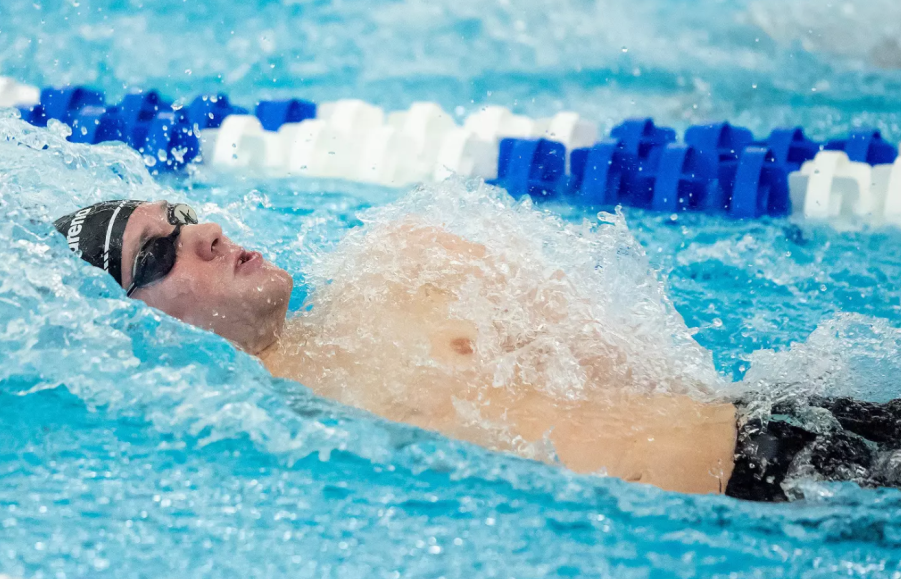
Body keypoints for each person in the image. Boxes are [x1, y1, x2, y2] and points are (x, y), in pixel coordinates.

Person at [54, 199, 901, 502]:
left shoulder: (405, 260)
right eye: (157, 257)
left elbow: (660, 366)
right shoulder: (269, 443)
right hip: (758, 516)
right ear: (136, 323)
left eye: (179, 214)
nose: (203, 231)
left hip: (799, 432)